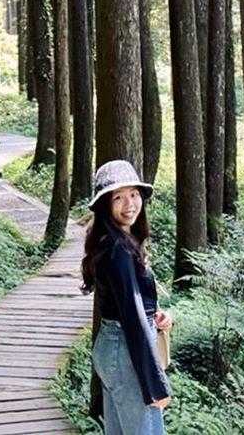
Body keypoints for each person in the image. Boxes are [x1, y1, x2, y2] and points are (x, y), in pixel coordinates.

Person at [81, 160, 173, 434]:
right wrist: (154, 384)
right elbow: (132, 319)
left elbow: (131, 305)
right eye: (118, 198)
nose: (129, 204)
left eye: (133, 194)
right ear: (105, 206)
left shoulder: (117, 243)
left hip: (114, 349)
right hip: (125, 353)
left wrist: (156, 314)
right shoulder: (118, 250)